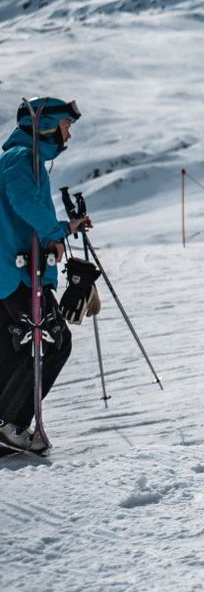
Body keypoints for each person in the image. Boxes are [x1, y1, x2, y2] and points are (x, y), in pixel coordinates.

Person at [1, 98, 91, 453]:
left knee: (14, 347)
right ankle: (10, 424)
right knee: (52, 341)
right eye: (66, 126)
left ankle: (5, 426)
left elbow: (20, 215)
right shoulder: (23, 159)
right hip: (16, 272)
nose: (68, 135)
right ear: (47, 127)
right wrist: (55, 232)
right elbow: (24, 203)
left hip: (14, 269)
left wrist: (55, 234)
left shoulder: (22, 160)